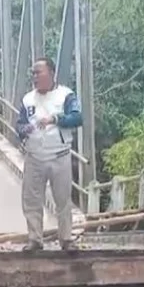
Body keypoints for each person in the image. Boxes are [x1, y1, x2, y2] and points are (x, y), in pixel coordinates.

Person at [16, 57, 83, 252]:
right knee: (31, 199)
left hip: (59, 155)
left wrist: (56, 119)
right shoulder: (28, 99)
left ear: (51, 73)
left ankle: (66, 239)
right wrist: (23, 129)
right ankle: (35, 240)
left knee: (63, 200)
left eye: (39, 73)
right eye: (33, 73)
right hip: (34, 156)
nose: (35, 77)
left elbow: (77, 117)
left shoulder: (66, 96)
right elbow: (18, 124)